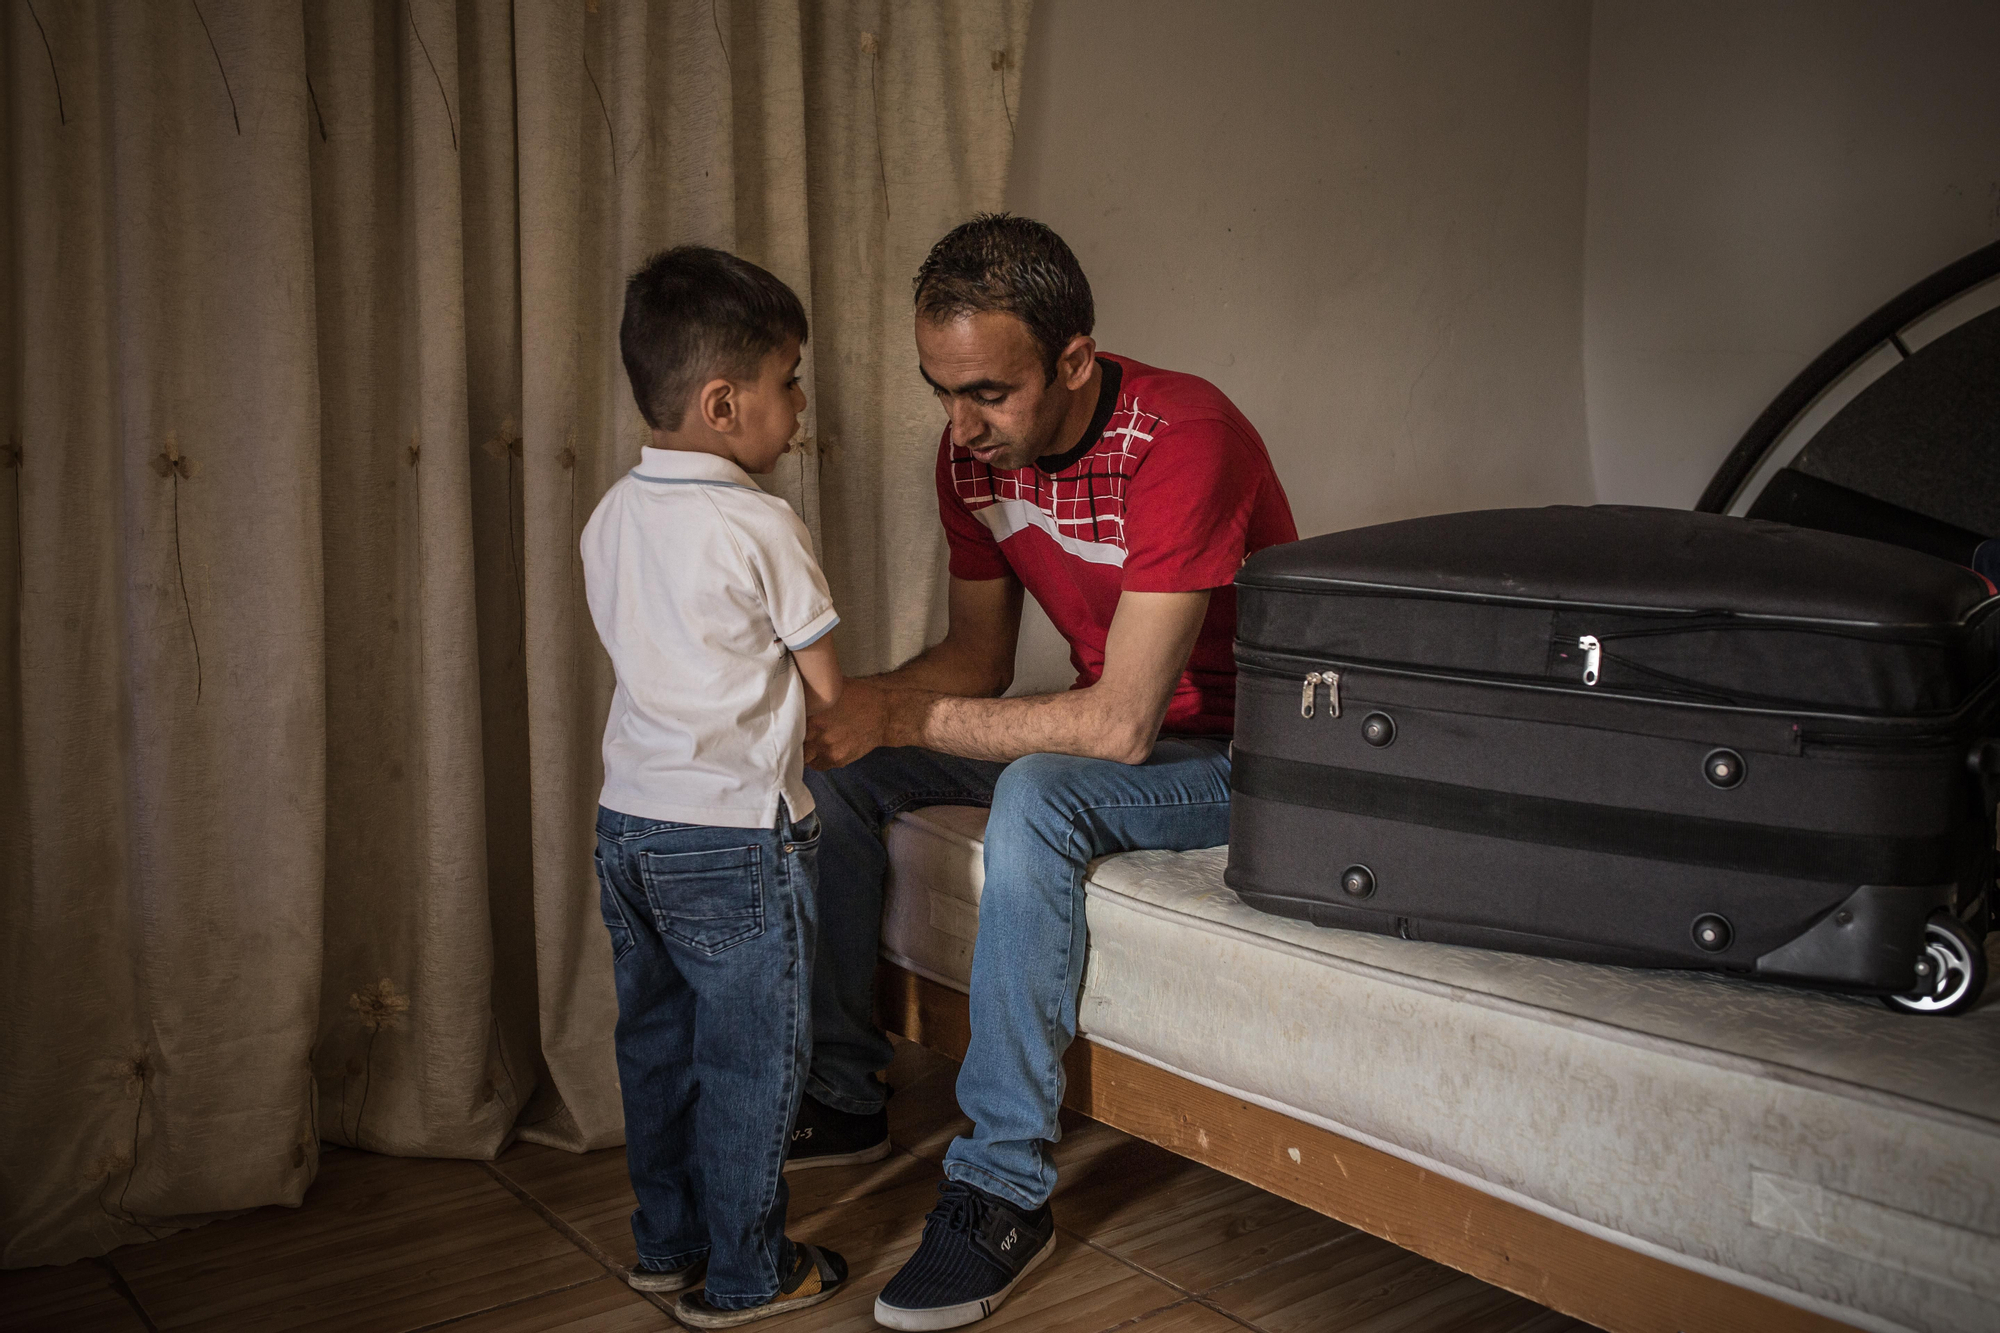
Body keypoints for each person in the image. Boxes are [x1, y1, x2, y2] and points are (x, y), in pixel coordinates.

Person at [791, 215, 1298, 1330]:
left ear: (1072, 361)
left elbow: (1118, 727)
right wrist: (849, 711)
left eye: (986, 393)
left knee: (1039, 790)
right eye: (940, 392)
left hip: (1235, 754)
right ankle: (839, 1090)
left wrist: (901, 710)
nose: (960, 426)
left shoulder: (1185, 436)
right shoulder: (972, 459)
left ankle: (1000, 1190)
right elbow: (973, 663)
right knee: (837, 773)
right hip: (1114, 731)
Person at [580, 246, 850, 1329]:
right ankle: (746, 1274)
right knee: (750, 1063)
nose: (796, 408)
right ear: (723, 401)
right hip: (734, 837)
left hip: (627, 825)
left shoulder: (609, 515)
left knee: (654, 1045)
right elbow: (828, 690)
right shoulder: (759, 524)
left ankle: (666, 1243)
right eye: (789, 383)